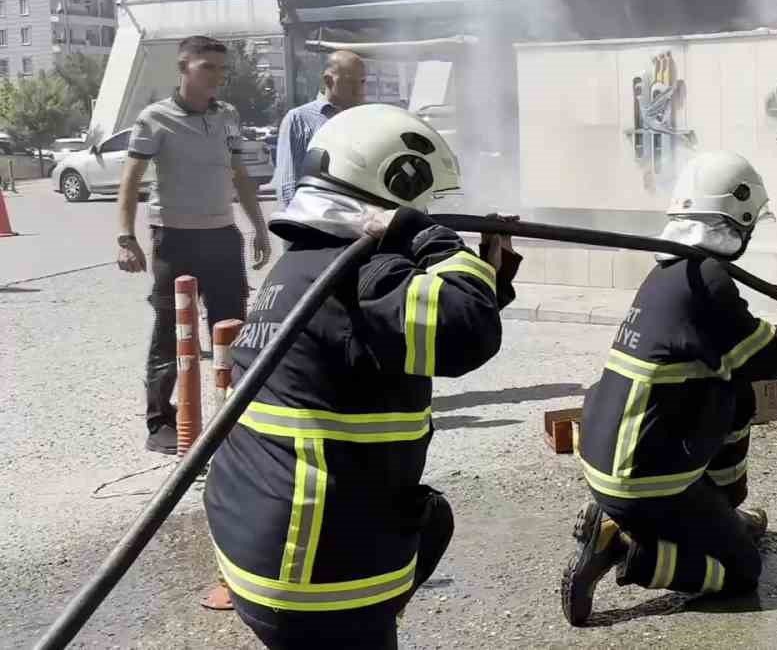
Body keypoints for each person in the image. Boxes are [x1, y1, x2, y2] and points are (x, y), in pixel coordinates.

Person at [204, 103, 521, 650]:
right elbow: (468, 334)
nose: (427, 213)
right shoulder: (365, 269)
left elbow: (411, 334)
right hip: (309, 568)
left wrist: (487, 281)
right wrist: (433, 239)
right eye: (421, 203)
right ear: (397, 185)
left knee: (430, 520)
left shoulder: (305, 262)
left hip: (255, 546)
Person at [560, 150, 777, 626]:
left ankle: (721, 517)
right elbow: (767, 358)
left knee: (733, 393)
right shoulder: (706, 280)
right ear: (740, 221)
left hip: (615, 458)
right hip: (643, 477)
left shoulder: (673, 274)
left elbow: (742, 344)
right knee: (742, 572)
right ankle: (625, 549)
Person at [117, 35, 273, 455]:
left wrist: (258, 226)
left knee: (232, 326)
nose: (217, 77)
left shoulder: (227, 116)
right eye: (208, 68)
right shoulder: (155, 118)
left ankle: (235, 414)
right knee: (170, 329)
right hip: (175, 238)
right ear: (184, 67)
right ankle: (160, 422)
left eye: (222, 69)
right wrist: (126, 237)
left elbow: (240, 175)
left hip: (223, 235)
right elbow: (131, 181)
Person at [273, 49, 367, 204]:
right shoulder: (299, 119)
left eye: (362, 82)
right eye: (350, 82)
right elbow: (288, 184)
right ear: (328, 81)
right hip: (315, 219)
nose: (359, 90)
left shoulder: (367, 118)